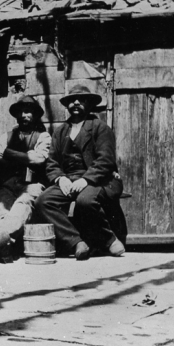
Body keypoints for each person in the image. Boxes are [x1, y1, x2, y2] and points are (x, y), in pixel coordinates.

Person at [34, 84, 126, 261]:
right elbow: (52, 162)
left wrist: (85, 180)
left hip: (99, 179)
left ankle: (110, 239)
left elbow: (105, 161)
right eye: (71, 100)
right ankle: (76, 242)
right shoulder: (60, 131)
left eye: (81, 100)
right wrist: (60, 179)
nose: (76, 103)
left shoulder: (100, 128)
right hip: (69, 179)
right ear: (67, 105)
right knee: (43, 201)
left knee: (85, 201)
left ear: (89, 104)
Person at [0, 95, 51, 263]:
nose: (24, 116)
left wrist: (10, 154)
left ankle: (0, 237)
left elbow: (39, 159)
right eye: (20, 112)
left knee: (22, 205)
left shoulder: (43, 137)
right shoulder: (6, 136)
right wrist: (26, 157)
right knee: (3, 208)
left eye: (28, 111)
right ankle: (3, 241)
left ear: (35, 115)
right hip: (8, 183)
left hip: (32, 184)